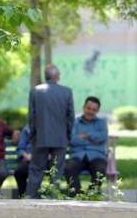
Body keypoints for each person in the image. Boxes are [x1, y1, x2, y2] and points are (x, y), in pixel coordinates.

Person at [26, 64, 75, 198]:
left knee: (36, 169)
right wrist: (68, 135)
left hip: (40, 137)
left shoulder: (35, 91)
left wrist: (33, 134)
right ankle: (54, 198)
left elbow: (31, 116)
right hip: (60, 138)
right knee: (57, 171)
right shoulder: (67, 92)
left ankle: (31, 197)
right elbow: (70, 117)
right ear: (57, 76)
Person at [65, 96, 108, 194]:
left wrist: (86, 135)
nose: (90, 111)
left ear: (97, 111)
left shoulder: (101, 123)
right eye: (88, 108)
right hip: (77, 155)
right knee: (68, 168)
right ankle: (77, 196)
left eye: (94, 110)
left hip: (97, 156)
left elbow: (103, 137)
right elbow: (72, 140)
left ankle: (91, 196)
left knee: (100, 170)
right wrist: (93, 140)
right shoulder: (74, 122)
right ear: (84, 107)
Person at [14, 124, 32, 198]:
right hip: (27, 159)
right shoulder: (26, 129)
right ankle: (23, 196)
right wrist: (26, 155)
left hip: (42, 160)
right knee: (19, 172)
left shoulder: (48, 128)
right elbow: (20, 148)